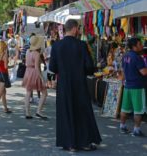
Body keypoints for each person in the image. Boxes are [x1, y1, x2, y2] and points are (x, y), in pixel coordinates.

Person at [49, 19, 101, 151]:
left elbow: (52, 67)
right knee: (81, 111)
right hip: (79, 83)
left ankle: (69, 143)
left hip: (64, 84)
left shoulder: (56, 46)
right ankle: (84, 142)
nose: (78, 30)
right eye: (78, 28)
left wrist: (55, 77)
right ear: (74, 28)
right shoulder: (81, 45)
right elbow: (89, 67)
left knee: (65, 111)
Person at [120, 38, 147, 136]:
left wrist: (123, 80)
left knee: (124, 108)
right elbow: (144, 72)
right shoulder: (137, 57)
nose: (142, 46)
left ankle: (122, 126)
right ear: (134, 46)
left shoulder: (125, 56)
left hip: (127, 86)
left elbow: (123, 71)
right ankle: (136, 130)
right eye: (140, 44)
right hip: (137, 87)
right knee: (138, 110)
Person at [22, 36, 47, 119]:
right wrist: (42, 78)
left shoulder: (27, 52)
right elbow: (37, 67)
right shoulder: (36, 53)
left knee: (28, 92)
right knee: (44, 92)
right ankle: (39, 111)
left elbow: (26, 63)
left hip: (28, 71)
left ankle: (27, 112)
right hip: (34, 72)